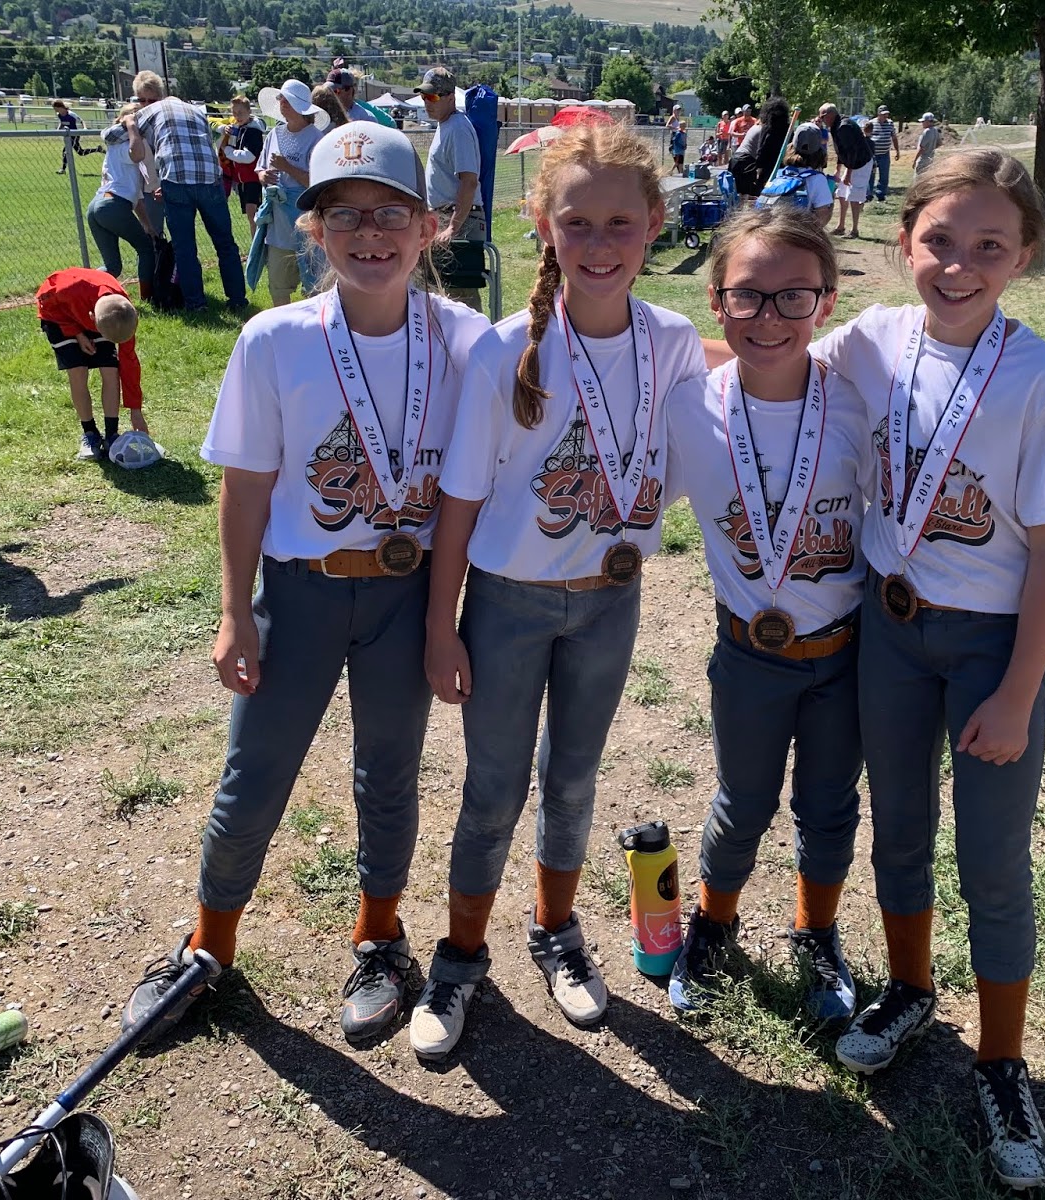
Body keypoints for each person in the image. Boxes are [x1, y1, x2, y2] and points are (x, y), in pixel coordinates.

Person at [119, 121, 492, 1046]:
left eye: (391, 214)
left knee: (389, 773)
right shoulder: (275, 339)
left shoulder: (467, 340)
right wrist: (233, 612)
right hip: (299, 590)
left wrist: (443, 621)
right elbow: (246, 488)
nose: (370, 233)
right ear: (312, 229)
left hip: (408, 595)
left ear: (429, 227)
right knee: (255, 774)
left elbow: (477, 482)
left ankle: (379, 936)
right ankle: (208, 947)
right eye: (344, 215)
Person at [812, 148, 1045, 1191]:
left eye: (988, 246)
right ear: (903, 242)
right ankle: (911, 988)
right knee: (899, 827)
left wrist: (1015, 695)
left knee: (992, 862)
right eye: (939, 241)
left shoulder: (1043, 379)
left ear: (1024, 256)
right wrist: (623, 348)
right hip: (889, 630)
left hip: (990, 648)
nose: (958, 265)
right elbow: (768, 358)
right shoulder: (875, 338)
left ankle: (1002, 1062)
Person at [417, 122, 706, 1060]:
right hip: (509, 601)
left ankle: (555, 932)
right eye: (577, 223)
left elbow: (710, 446)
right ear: (543, 226)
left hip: (609, 603)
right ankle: (460, 958)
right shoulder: (507, 351)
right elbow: (461, 499)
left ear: (655, 223)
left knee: (573, 779)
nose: (600, 243)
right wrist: (441, 626)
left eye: (621, 223)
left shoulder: (672, 343)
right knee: (493, 788)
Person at [662, 207, 868, 1025]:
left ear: (827, 301)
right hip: (748, 654)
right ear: (716, 300)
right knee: (742, 802)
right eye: (747, 295)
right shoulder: (687, 408)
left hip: (846, 652)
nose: (770, 316)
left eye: (794, 297)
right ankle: (713, 925)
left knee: (830, 805)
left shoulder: (860, 404)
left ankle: (816, 933)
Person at [104, 70, 248, 312]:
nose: (145, 104)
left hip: (176, 180)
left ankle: (196, 304)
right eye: (142, 100)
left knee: (185, 247)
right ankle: (237, 300)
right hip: (210, 179)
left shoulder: (147, 113)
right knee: (225, 243)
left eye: (147, 100)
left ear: (157, 98)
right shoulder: (196, 110)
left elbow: (108, 136)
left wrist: (129, 122)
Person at [35, 267, 149, 462]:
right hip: (56, 315)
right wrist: (77, 333)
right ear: (92, 320)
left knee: (111, 369)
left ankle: (112, 435)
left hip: (92, 308)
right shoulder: (64, 289)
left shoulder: (122, 311)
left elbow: (129, 364)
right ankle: (90, 433)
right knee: (78, 371)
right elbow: (44, 303)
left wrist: (135, 410)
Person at [416, 67, 484, 312]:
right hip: (446, 217)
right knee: (442, 291)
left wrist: (453, 228)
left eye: (433, 96)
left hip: (459, 220)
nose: (427, 102)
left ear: (450, 97)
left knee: (460, 295)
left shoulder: (457, 128)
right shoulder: (445, 125)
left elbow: (469, 181)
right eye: (424, 96)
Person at [256, 79, 325, 307]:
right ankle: (283, 324)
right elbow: (260, 169)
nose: (281, 102)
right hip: (278, 225)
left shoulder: (316, 139)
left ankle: (317, 324)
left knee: (315, 284)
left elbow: (318, 183)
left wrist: (287, 167)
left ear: (300, 106)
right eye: (280, 98)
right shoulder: (274, 134)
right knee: (278, 284)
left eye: (285, 99)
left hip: (306, 223)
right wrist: (264, 176)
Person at [88, 103, 157, 298]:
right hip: (113, 206)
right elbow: (137, 154)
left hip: (98, 205)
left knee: (113, 267)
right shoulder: (123, 145)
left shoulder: (116, 148)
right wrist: (132, 125)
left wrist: (148, 226)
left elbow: (137, 198)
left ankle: (85, 288)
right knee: (146, 249)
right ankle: (147, 297)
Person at [755, 122, 833, 226]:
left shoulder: (779, 174)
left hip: (772, 229)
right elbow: (822, 219)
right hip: (796, 233)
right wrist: (832, 199)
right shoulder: (817, 179)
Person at [218, 95, 265, 236]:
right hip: (243, 180)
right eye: (234, 113)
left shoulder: (253, 131)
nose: (237, 116)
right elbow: (215, 125)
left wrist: (227, 150)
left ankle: (259, 245)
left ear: (249, 112)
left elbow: (248, 157)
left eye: (240, 113)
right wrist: (225, 130)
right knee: (252, 217)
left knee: (254, 215)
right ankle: (256, 244)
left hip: (253, 179)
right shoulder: (241, 129)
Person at [729, 96, 791, 202]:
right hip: (745, 162)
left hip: (738, 161)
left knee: (741, 198)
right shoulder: (766, 130)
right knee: (748, 197)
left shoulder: (761, 126)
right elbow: (762, 151)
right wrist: (760, 169)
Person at [831, 118, 873, 239]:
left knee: (854, 195)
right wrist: (838, 169)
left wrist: (848, 174)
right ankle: (841, 226)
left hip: (861, 163)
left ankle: (854, 230)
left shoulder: (845, 129)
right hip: (853, 163)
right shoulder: (838, 129)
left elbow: (852, 154)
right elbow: (841, 152)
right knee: (842, 192)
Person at [326, 67, 396, 128]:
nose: (330, 94)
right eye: (327, 90)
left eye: (336, 91)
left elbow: (390, 123)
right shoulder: (324, 111)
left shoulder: (365, 115)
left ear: (350, 90)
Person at [53, 100, 97, 174]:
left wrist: (85, 128)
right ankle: (97, 149)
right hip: (67, 136)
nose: (54, 109)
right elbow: (62, 123)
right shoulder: (59, 115)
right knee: (80, 152)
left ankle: (63, 169)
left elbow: (81, 120)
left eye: (54, 108)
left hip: (74, 135)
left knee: (65, 151)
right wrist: (58, 129)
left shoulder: (70, 114)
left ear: (59, 107)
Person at [869, 104, 899, 201]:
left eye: (886, 114)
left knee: (884, 176)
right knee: (870, 175)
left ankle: (881, 195)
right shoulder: (871, 123)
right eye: (883, 114)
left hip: (885, 154)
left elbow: (894, 137)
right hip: (872, 154)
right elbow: (866, 137)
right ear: (878, 114)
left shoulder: (890, 123)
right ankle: (868, 195)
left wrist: (897, 150)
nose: (885, 116)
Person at [667, 104, 687, 175]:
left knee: (680, 157)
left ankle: (680, 171)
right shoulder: (673, 117)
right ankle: (675, 171)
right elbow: (667, 125)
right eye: (677, 110)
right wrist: (676, 128)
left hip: (679, 135)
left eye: (679, 110)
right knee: (676, 156)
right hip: (675, 135)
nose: (678, 111)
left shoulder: (678, 118)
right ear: (674, 110)